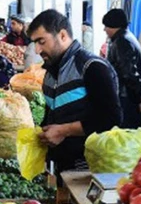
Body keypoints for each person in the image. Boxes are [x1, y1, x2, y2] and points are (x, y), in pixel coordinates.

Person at [28, 9, 122, 174]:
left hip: (88, 167)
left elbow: (110, 118)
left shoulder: (92, 67)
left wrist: (64, 131)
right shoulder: (50, 73)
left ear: (62, 35)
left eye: (41, 41)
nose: (37, 50)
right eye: (34, 43)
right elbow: (52, 113)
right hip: (60, 165)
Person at [103, 8, 141, 129]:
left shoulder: (122, 42)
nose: (104, 30)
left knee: (128, 130)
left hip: (126, 96)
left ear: (114, 26)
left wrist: (139, 98)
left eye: (106, 26)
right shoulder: (128, 37)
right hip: (131, 94)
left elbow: (129, 73)